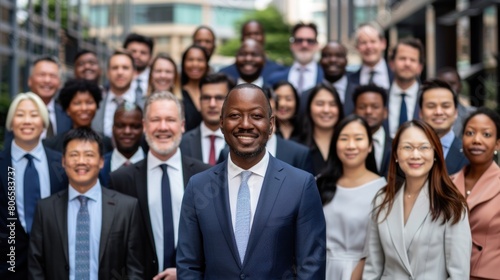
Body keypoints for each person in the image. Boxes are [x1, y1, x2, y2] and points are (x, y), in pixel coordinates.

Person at [177, 83, 326, 279]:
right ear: (221, 123)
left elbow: (311, 266)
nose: (245, 124)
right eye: (235, 115)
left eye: (256, 116)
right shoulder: (198, 187)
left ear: (271, 124)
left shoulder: (300, 185)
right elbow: (188, 266)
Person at [109, 91, 210, 280]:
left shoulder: (205, 176)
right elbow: (117, 246)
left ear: (182, 126)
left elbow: (213, 242)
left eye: (170, 120)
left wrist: (186, 273)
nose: (163, 127)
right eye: (156, 120)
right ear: (145, 126)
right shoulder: (121, 179)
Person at [28, 127, 144, 279]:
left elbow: (135, 269)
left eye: (89, 155)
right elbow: (36, 267)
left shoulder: (127, 208)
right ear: (63, 161)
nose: (81, 161)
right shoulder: (46, 209)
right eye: (74, 155)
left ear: (101, 161)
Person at [363, 120, 471, 279]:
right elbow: (373, 269)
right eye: (407, 147)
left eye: (424, 147)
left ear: (435, 153)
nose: (415, 155)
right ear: (396, 154)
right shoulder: (382, 200)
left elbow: (459, 275)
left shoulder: (452, 204)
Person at [0, 92, 68, 280]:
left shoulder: (60, 164)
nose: (27, 121)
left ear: (44, 123)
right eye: (20, 115)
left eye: (34, 115)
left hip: (53, 264)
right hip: (8, 265)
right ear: (11, 123)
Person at [316, 115, 386, 280]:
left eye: (359, 138)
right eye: (344, 138)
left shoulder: (383, 190)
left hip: (361, 272)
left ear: (370, 146)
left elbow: (378, 246)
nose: (351, 145)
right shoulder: (319, 183)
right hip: (319, 269)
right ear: (335, 144)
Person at [451, 107, 500, 280]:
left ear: (497, 144)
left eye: (486, 135)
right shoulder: (446, 184)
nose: (476, 140)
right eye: (470, 133)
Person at [43, 78, 113, 153]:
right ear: (67, 109)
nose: (84, 108)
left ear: (97, 106)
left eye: (89, 102)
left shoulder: (106, 143)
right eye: (77, 103)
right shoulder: (52, 145)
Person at [180, 73, 234, 165]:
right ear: (199, 102)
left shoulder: (240, 141)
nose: (212, 104)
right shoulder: (182, 142)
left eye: (219, 98)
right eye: (206, 98)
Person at [419, 79, 469, 174]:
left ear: (456, 112)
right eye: (431, 106)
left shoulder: (468, 154)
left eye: (445, 106)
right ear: (421, 113)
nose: (438, 112)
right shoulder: (404, 151)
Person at [92, 50, 141, 138]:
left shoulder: (144, 103)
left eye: (125, 68)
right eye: (115, 68)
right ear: (108, 73)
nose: (120, 72)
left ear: (134, 73)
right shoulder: (95, 103)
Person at [219, 20, 286, 84]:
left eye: (257, 34)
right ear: (241, 38)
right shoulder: (225, 74)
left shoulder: (279, 72)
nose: (252, 37)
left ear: (264, 37)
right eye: (248, 34)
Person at [298, 83, 344, 175]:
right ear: (309, 108)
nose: (326, 110)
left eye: (333, 104)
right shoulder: (296, 146)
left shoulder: (349, 146)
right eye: (320, 104)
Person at [268, 22, 324, 94]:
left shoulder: (327, 78)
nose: (304, 45)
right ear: (292, 45)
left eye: (310, 41)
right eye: (299, 40)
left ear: (317, 45)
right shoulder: (274, 79)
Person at [99, 102, 145, 187]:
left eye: (134, 126)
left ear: (143, 128)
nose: (127, 131)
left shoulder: (154, 165)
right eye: (120, 126)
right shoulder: (99, 167)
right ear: (113, 128)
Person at [386, 38, 425, 138]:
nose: (407, 64)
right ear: (391, 64)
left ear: (420, 67)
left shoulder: (427, 97)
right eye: (402, 58)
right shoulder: (381, 97)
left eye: (412, 60)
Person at [28, 56, 72, 138]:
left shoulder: (67, 116)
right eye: (42, 75)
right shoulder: (18, 113)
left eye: (53, 76)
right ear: (30, 80)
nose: (47, 80)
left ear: (60, 83)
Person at [353, 84, 391, 176]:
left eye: (375, 106)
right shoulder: (347, 146)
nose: (368, 111)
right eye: (362, 107)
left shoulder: (396, 145)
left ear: (385, 112)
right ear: (354, 112)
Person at [350, 23, 393, 90]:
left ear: (383, 44)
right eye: (363, 42)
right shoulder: (349, 80)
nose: (369, 47)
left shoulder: (397, 77)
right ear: (357, 47)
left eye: (373, 41)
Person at [436, 67, 476, 136]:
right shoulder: (426, 116)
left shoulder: (473, 115)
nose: (448, 87)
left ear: (460, 86)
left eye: (452, 83)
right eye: (443, 84)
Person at [319, 41, 356, 115]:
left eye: (339, 56)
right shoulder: (308, 94)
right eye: (327, 55)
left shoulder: (357, 93)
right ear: (320, 61)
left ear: (346, 61)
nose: (333, 60)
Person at [181, 45, 210, 132]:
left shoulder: (215, 92)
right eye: (190, 60)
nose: (195, 64)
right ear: (183, 63)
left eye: (200, 60)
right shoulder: (176, 93)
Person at [124, 33, 154, 97]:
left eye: (143, 53)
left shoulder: (156, 79)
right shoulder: (115, 78)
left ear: (150, 57)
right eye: (133, 51)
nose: (137, 56)